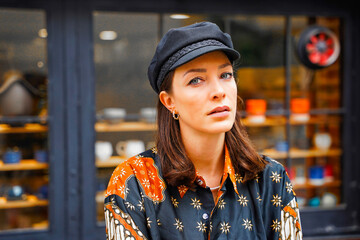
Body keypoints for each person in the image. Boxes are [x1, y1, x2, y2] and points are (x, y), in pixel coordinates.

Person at [104, 21, 302, 240]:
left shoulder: (271, 179)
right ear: (169, 101)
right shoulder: (133, 182)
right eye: (196, 80)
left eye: (225, 75)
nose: (218, 91)